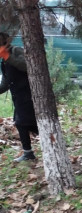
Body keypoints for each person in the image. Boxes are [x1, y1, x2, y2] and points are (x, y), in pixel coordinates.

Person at [0, 32, 39, 162]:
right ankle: (29, 152)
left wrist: (8, 57)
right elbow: (6, 82)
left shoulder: (16, 51)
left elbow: (28, 66)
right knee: (22, 123)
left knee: (26, 123)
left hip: (29, 94)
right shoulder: (3, 60)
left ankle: (53, 141)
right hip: (18, 96)